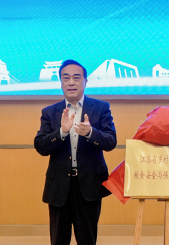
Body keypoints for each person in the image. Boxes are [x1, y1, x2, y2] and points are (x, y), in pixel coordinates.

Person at [34, 59, 116, 245]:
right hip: (59, 186)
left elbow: (111, 141)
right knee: (58, 240)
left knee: (87, 239)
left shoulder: (101, 108)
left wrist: (91, 133)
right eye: (66, 78)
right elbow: (41, 146)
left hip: (89, 184)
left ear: (85, 81)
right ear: (61, 82)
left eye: (76, 77)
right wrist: (61, 132)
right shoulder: (50, 112)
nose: (71, 82)